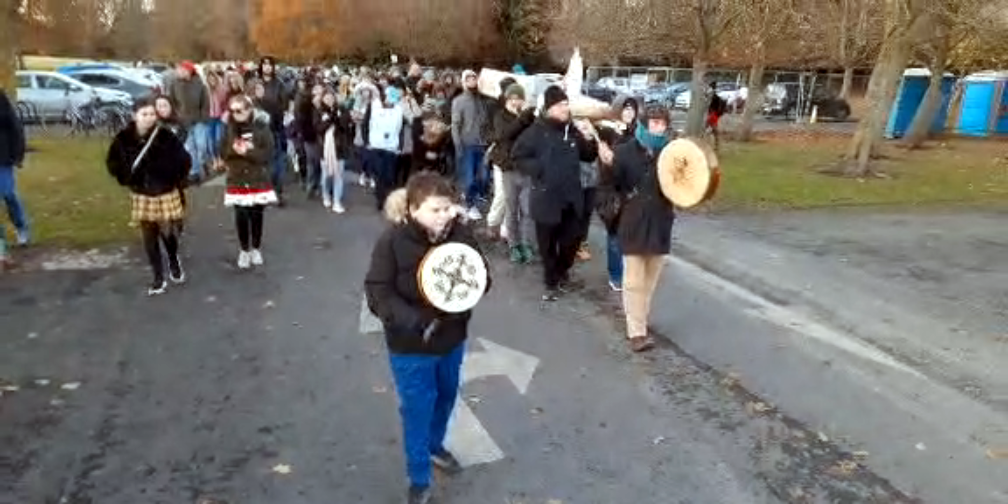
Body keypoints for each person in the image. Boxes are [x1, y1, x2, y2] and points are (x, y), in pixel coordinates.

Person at [364, 172, 491, 504]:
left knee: (446, 396)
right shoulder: (391, 242)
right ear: (413, 209)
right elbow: (378, 292)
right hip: (410, 345)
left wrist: (473, 287)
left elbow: (481, 276)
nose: (444, 216)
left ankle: (435, 446)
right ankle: (418, 477)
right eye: (435, 209)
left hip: (452, 338)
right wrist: (416, 321)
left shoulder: (461, 235)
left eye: (447, 208)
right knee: (417, 408)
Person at [512, 85, 598, 301]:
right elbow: (518, 156)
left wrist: (590, 140)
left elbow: (588, 156)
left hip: (571, 197)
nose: (565, 108)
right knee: (547, 245)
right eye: (561, 105)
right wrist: (539, 168)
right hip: (546, 198)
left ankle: (562, 270)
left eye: (566, 104)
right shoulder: (535, 132)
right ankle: (551, 281)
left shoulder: (572, 130)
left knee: (573, 239)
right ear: (549, 108)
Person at [106, 98, 191, 295]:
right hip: (142, 192)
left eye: (152, 114)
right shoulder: (123, 138)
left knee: (167, 232)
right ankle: (158, 276)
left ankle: (172, 258)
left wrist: (171, 177)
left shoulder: (166, 136)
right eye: (144, 114)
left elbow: (184, 161)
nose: (149, 118)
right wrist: (126, 177)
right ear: (134, 115)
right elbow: (113, 163)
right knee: (149, 235)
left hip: (164, 190)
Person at [610, 105, 677, 352]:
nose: (659, 128)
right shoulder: (624, 152)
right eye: (655, 123)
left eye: (663, 123)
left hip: (660, 221)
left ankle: (641, 319)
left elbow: (681, 184)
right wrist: (612, 213)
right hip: (634, 221)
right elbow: (610, 187)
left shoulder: (670, 152)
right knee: (633, 280)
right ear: (645, 123)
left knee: (649, 281)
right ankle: (636, 332)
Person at [220, 95, 277, 270]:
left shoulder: (261, 127)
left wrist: (248, 152)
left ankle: (256, 248)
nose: (235, 114)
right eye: (232, 111)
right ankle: (244, 249)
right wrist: (235, 150)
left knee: (256, 214)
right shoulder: (228, 128)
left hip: (257, 178)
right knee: (241, 215)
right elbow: (223, 151)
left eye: (239, 110)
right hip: (237, 177)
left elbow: (268, 154)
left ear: (249, 110)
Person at [488, 83, 535, 264]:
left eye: (518, 98)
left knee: (528, 209)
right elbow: (504, 134)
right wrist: (522, 119)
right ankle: (514, 245)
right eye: (512, 98)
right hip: (508, 168)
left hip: (526, 169)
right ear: (507, 99)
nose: (515, 102)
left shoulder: (527, 117)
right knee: (511, 208)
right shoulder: (500, 116)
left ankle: (526, 243)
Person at [451, 69, 490, 220]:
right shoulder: (459, 101)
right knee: (469, 177)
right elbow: (455, 125)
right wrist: (458, 146)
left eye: (474, 78)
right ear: (464, 82)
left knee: (484, 176)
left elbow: (486, 122)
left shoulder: (482, 101)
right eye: (469, 79)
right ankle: (469, 204)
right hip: (467, 145)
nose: (473, 82)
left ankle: (474, 195)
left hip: (482, 144)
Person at [256, 57, 292, 206]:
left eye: (269, 65)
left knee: (277, 162)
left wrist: (264, 100)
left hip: (276, 127)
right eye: (264, 65)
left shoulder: (279, 84)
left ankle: (277, 192)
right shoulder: (255, 83)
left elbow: (282, 106)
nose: (267, 68)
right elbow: (250, 103)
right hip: (258, 128)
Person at [167, 60, 211, 183]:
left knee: (201, 145)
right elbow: (171, 101)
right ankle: (194, 172)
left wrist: (204, 117)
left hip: (199, 120)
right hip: (183, 121)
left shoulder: (199, 84)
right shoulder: (174, 84)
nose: (178, 71)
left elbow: (205, 102)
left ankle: (204, 162)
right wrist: (176, 115)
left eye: (181, 69)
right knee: (190, 148)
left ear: (188, 71)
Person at [0, 88, 28, 268]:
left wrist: (18, 154)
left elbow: (15, 127)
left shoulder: (1, 100)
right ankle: (1, 250)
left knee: (8, 195)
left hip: (2, 158)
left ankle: (21, 226)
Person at [367, 86, 406, 210]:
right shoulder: (374, 107)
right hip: (376, 146)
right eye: (389, 97)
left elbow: (401, 130)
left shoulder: (399, 110)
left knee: (389, 175)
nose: (391, 100)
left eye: (393, 98)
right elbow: (366, 124)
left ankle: (388, 198)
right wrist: (366, 141)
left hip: (391, 147)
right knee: (379, 174)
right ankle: (380, 199)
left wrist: (400, 145)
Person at [707, 82, 727, 151]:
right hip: (714, 114)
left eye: (709, 87)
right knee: (713, 129)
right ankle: (716, 144)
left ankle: (715, 144)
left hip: (712, 114)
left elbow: (710, 106)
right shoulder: (715, 96)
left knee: (710, 128)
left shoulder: (713, 96)